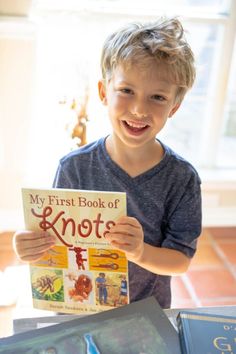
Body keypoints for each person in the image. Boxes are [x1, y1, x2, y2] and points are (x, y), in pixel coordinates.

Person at [13, 17, 202, 309]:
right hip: (82, 307)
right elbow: (56, 245)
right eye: (127, 91)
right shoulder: (73, 168)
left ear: (173, 108)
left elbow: (180, 261)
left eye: (157, 97)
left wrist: (140, 252)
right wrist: (29, 248)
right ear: (104, 92)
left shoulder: (182, 179)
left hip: (147, 310)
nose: (139, 109)